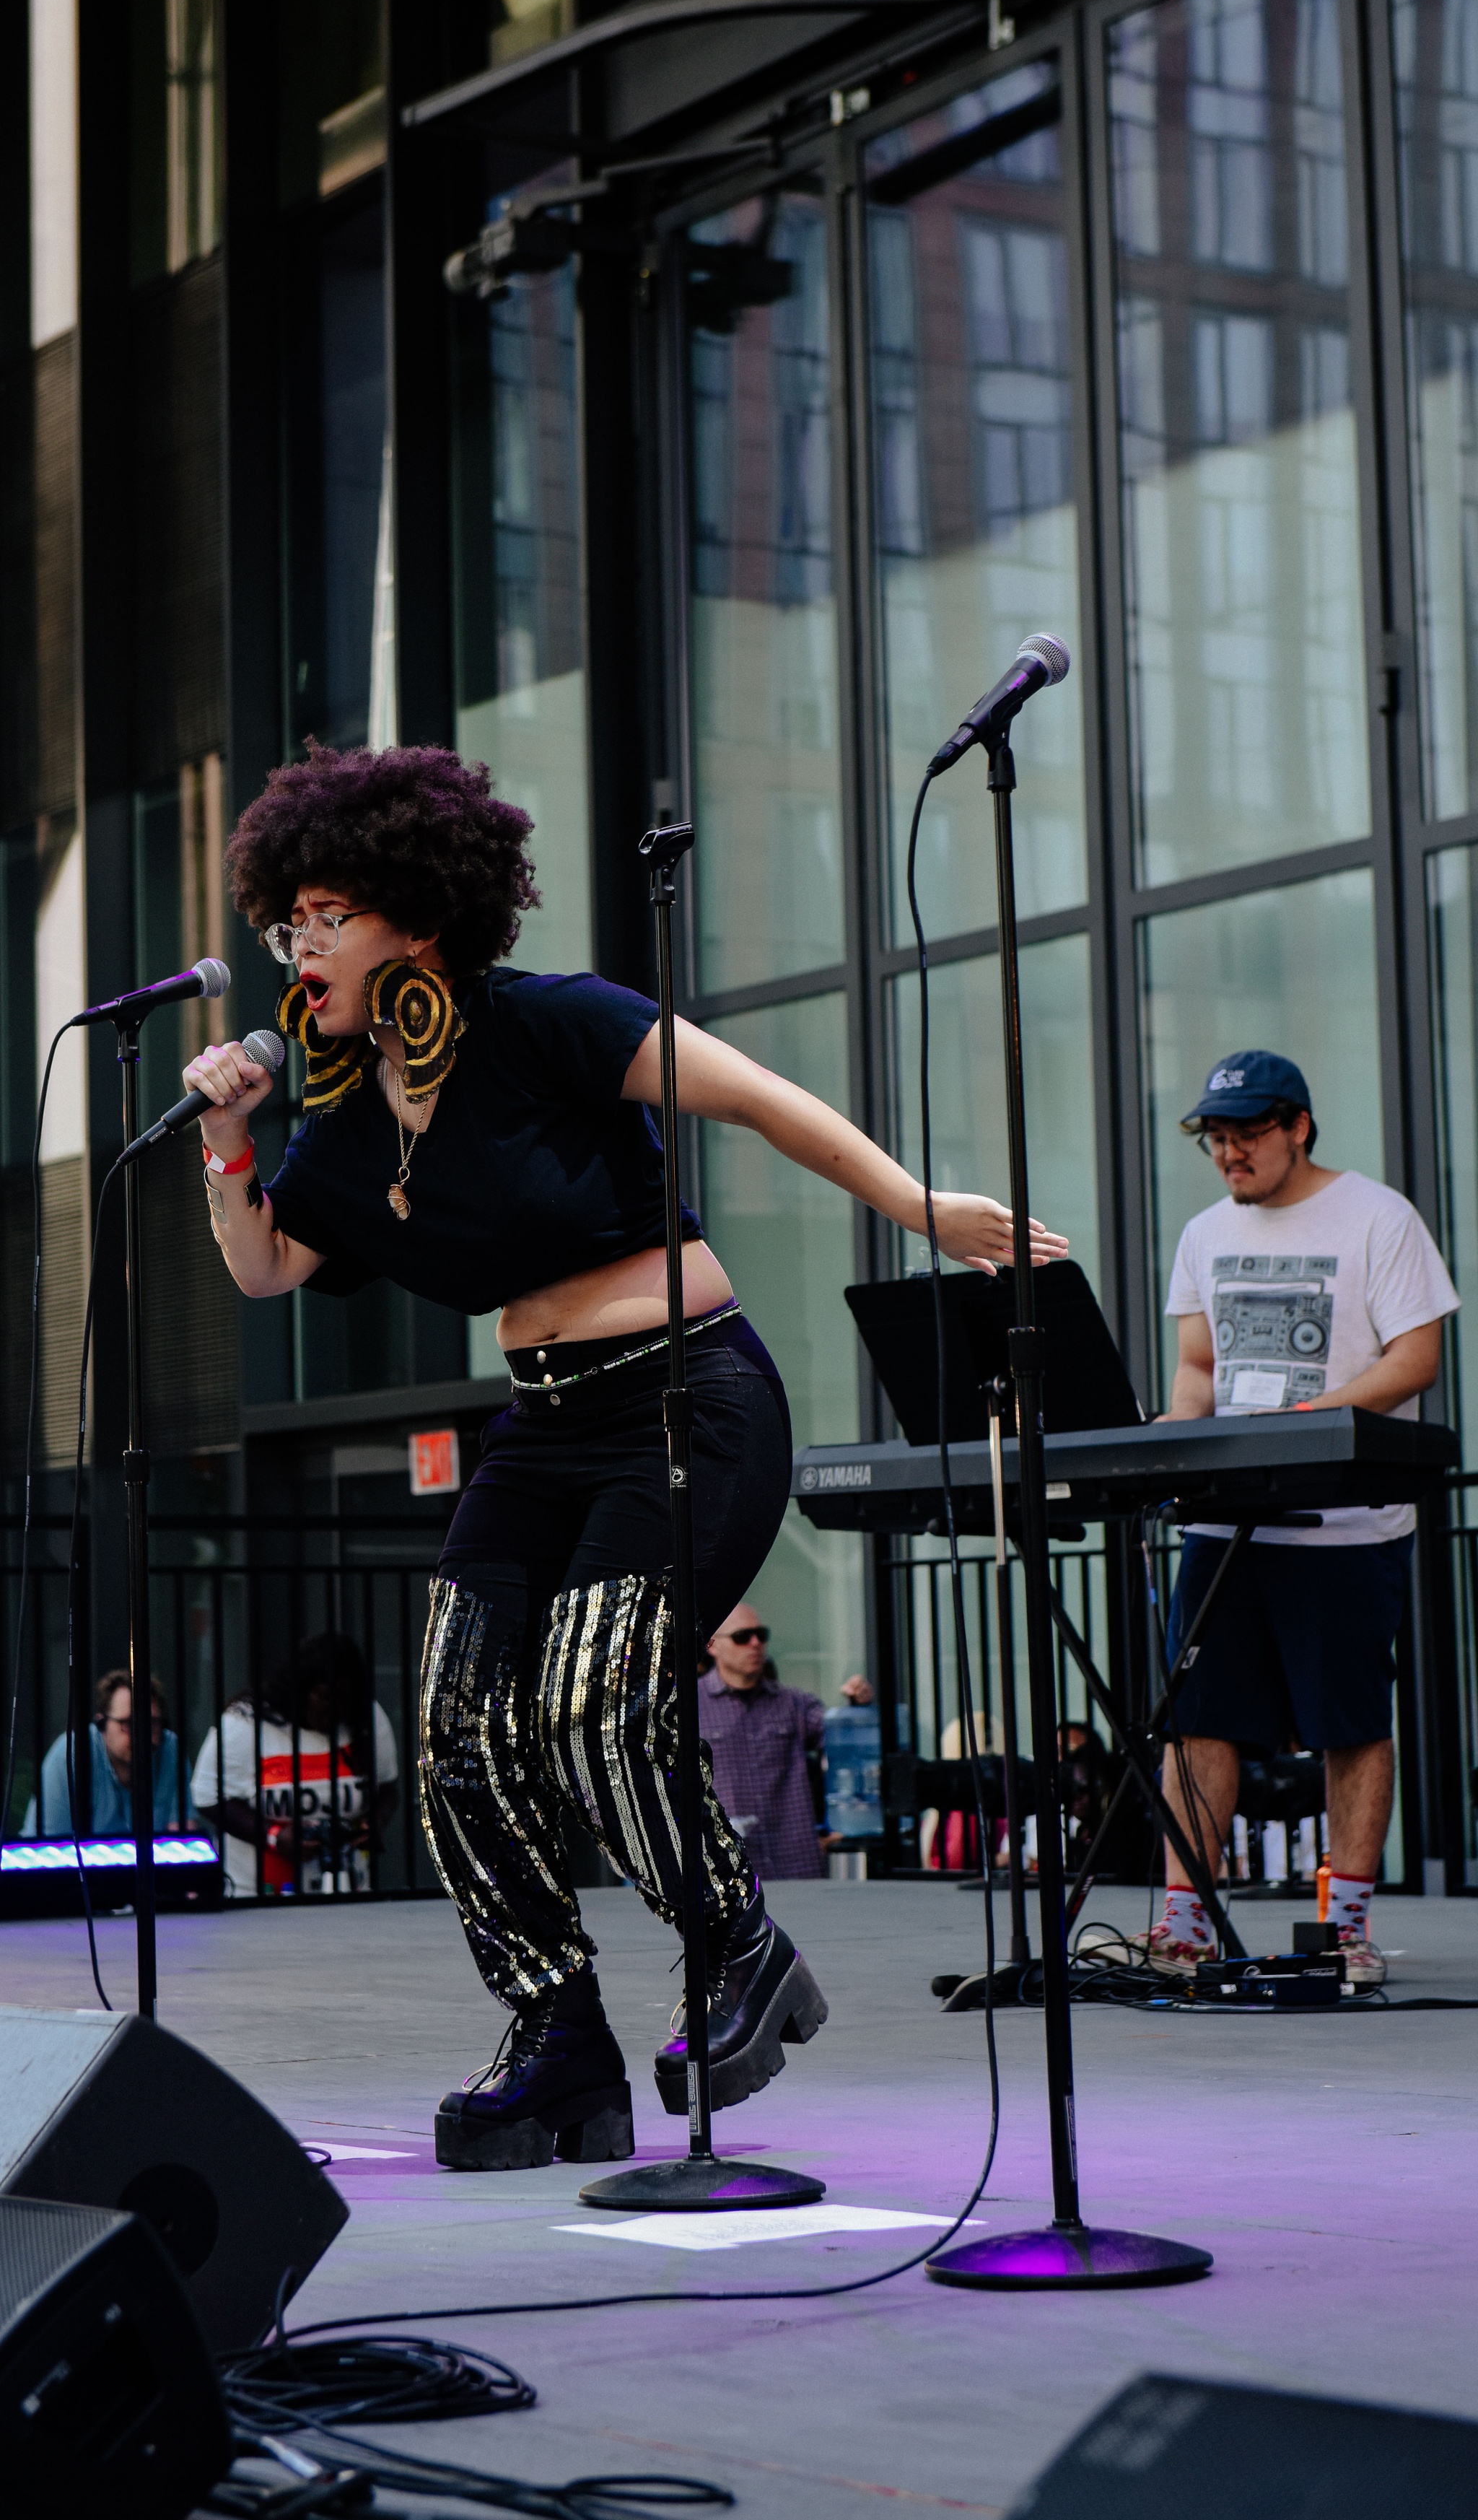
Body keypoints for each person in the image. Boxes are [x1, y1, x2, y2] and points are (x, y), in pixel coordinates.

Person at [182, 741, 1065, 2171]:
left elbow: (762, 1097)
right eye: (283, 925)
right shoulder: (343, 1127)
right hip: (541, 1424)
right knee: (459, 1732)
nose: (298, 945)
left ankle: (737, 1947)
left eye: (324, 914)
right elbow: (267, 1265)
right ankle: (559, 2043)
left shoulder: (548, 1022)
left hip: (684, 1394)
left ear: (416, 913)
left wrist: (918, 1202)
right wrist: (229, 1135)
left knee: (596, 1701)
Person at [1132, 1050, 1458, 1987]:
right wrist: (1162, 1441)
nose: (1231, 1153)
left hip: (1345, 1519)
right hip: (1226, 1519)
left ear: (1298, 1126)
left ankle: (1345, 1929)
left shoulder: (1377, 1216)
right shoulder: (1202, 1233)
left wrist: (1309, 1426)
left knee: (1350, 1725)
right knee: (1198, 1722)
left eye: (1247, 1134)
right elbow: (1199, 1370)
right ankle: (1185, 1926)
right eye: (1217, 1139)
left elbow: (1415, 1358)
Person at [191, 1630, 398, 1898]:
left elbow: (388, 1788)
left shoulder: (366, 1717)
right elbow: (208, 1796)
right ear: (300, 1690)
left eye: (347, 1698)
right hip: (260, 1899)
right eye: (325, 1696)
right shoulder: (245, 1724)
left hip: (349, 1891)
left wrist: (374, 1823)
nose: (337, 1708)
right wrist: (273, 1836)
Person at [699, 1601, 873, 1882]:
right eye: (743, 1637)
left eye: (761, 1635)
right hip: (728, 1866)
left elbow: (845, 1744)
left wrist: (856, 1704)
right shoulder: (687, 1707)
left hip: (794, 1862)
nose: (755, 1644)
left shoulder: (794, 1704)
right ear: (713, 1645)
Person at [25, 1670, 191, 1836]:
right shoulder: (72, 1754)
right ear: (102, 1725)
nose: (142, 1734)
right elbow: (46, 1846)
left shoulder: (170, 1749)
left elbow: (183, 1839)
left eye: (152, 1722)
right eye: (128, 1723)